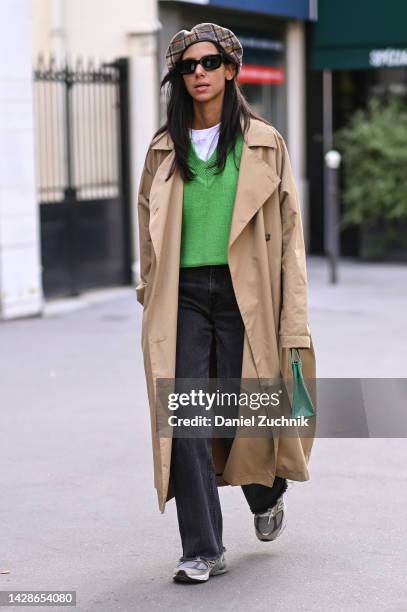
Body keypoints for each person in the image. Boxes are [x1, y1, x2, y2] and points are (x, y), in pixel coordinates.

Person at [136, 22, 316, 584]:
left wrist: (294, 318)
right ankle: (202, 548)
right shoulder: (164, 148)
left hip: (248, 293)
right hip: (184, 296)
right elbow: (147, 224)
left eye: (209, 63)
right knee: (185, 415)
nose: (199, 74)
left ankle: (265, 494)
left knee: (249, 413)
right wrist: (148, 290)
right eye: (188, 67)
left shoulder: (264, 141)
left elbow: (289, 238)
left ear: (231, 70)